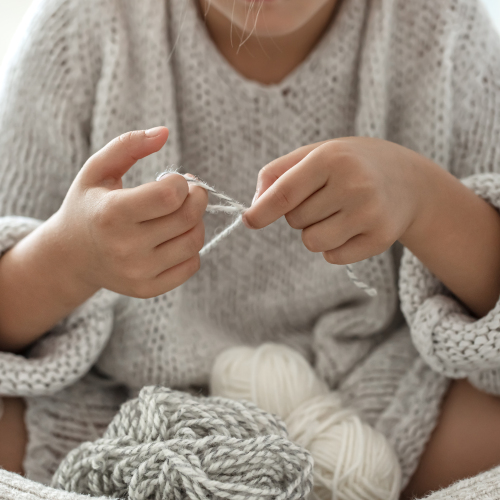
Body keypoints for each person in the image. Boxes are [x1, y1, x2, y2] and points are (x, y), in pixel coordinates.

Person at [0, 0, 500, 498]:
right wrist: (70, 258)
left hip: (384, 407)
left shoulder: (448, 27)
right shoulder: (78, 27)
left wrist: (423, 198)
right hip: (121, 420)